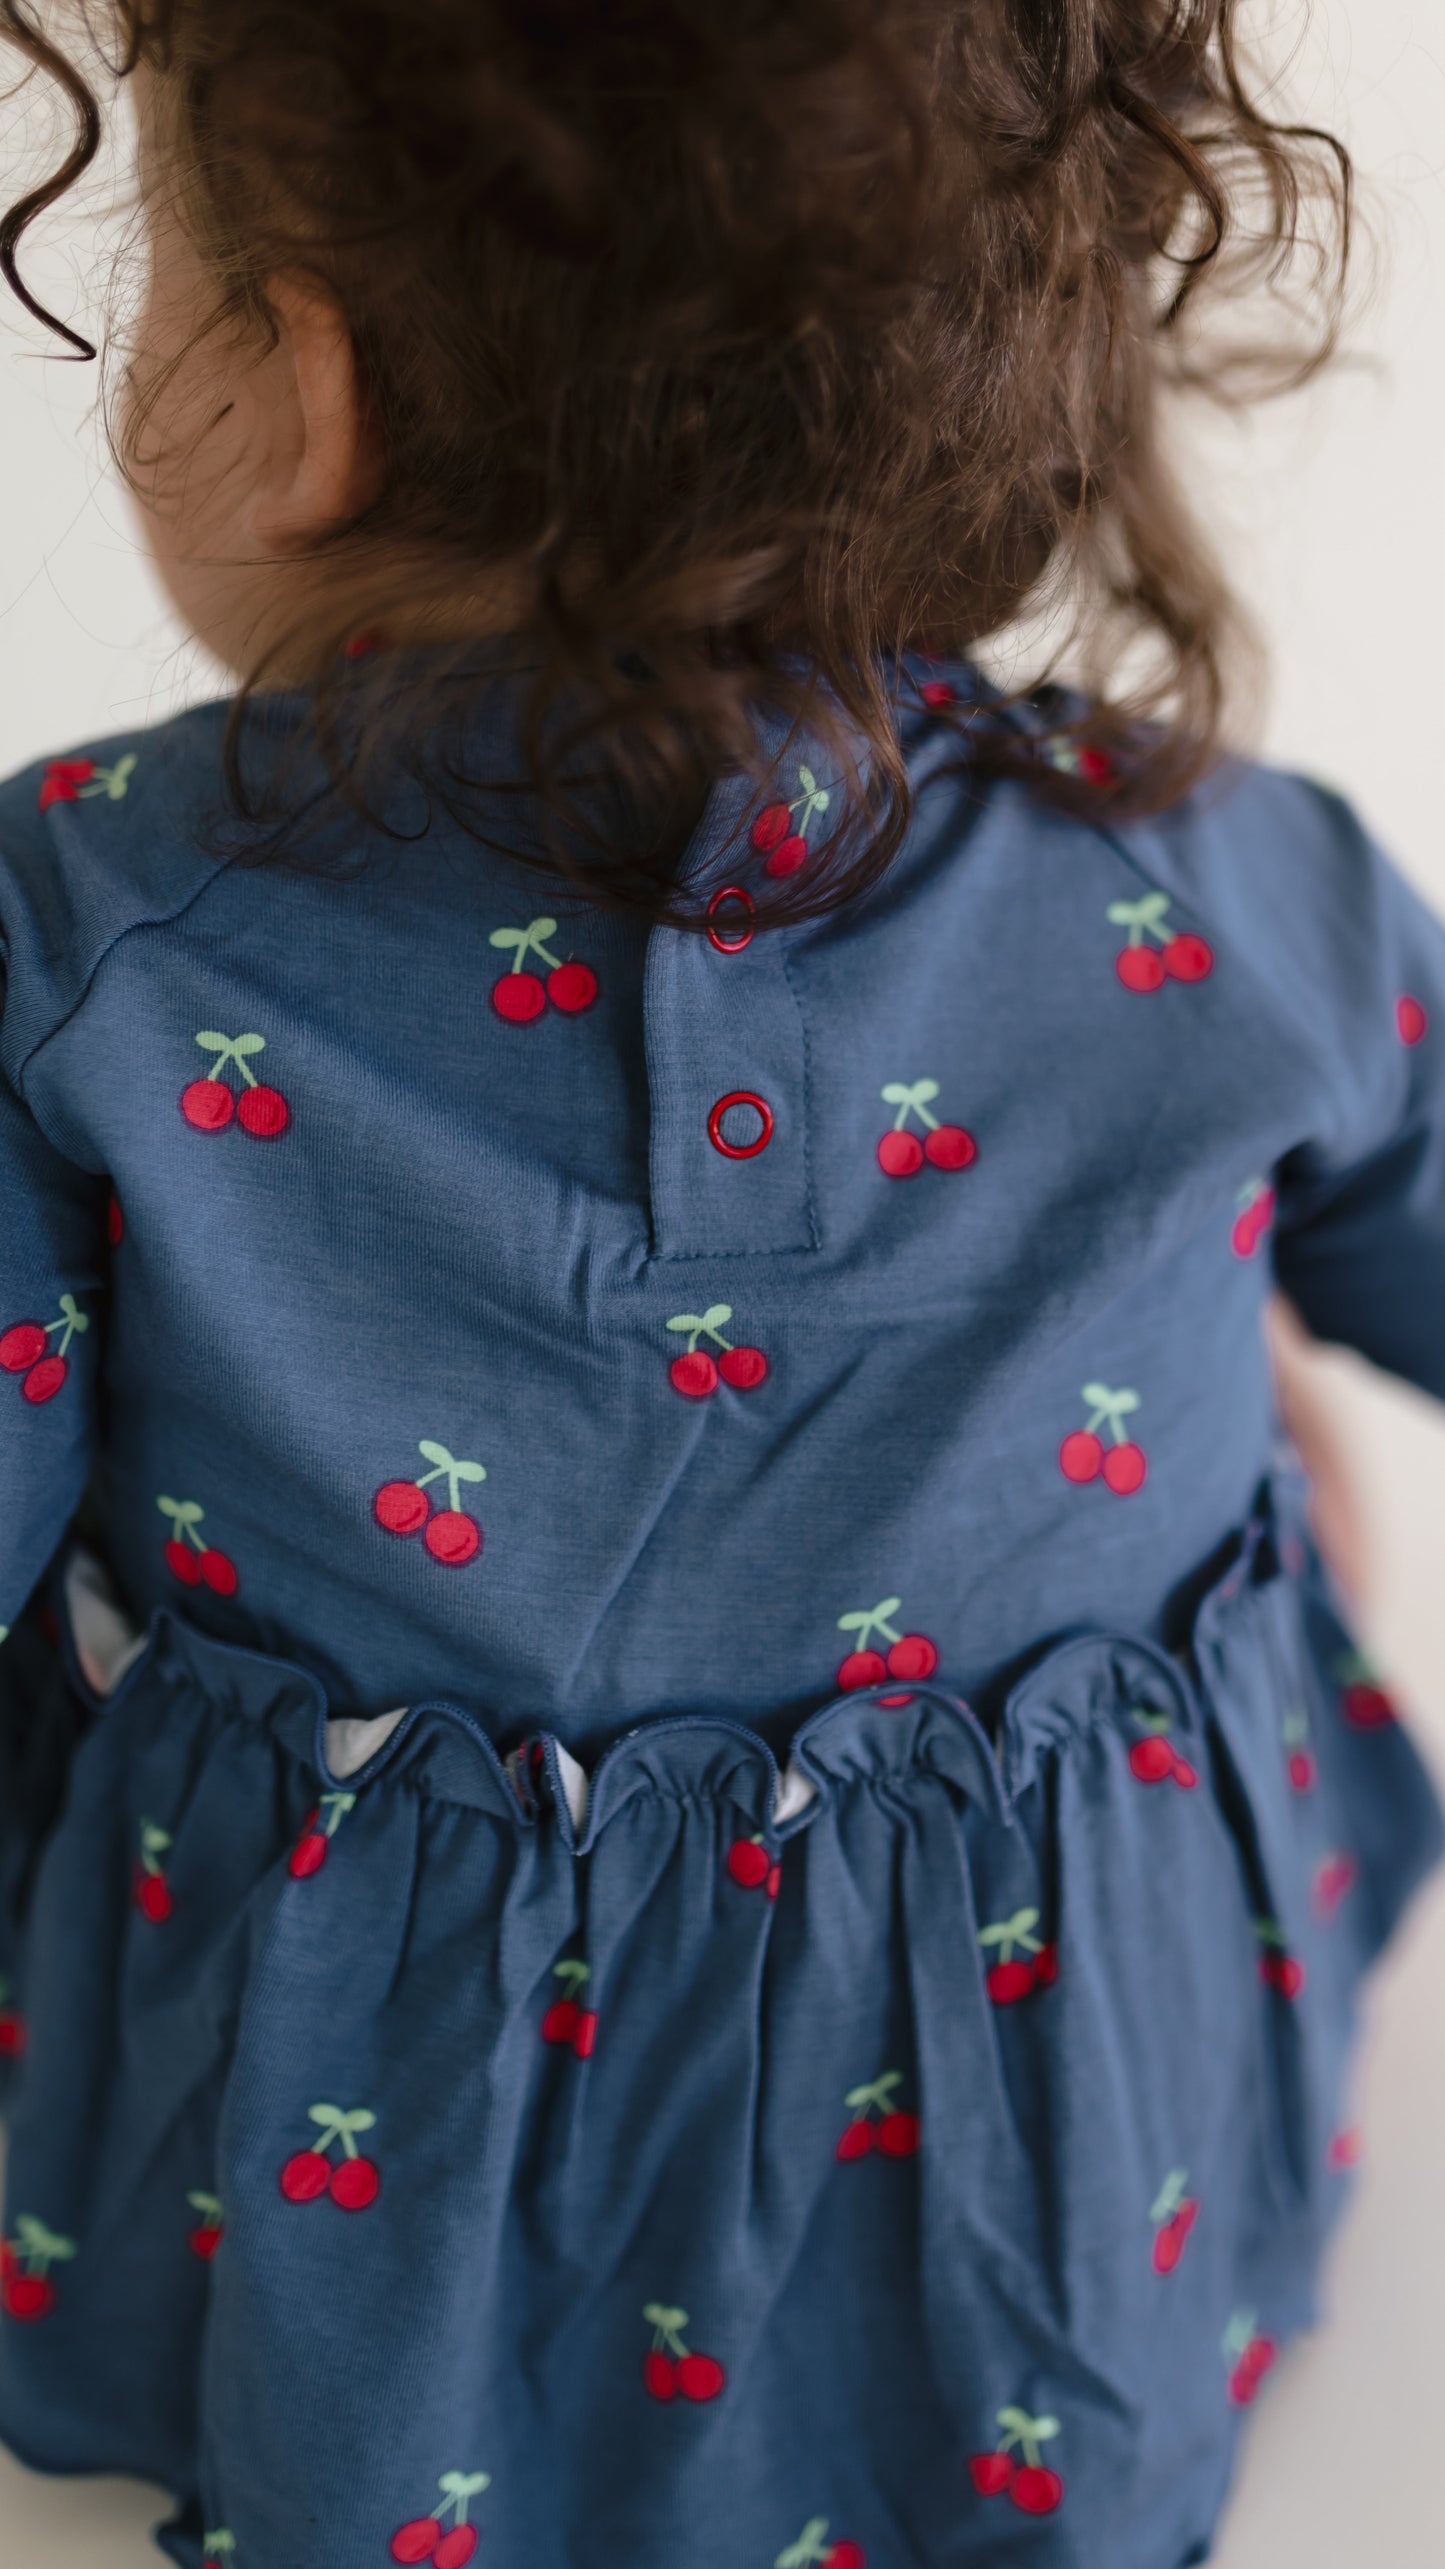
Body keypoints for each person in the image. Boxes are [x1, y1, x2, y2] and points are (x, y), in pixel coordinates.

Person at [0, 6, 1440, 2564]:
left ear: (308, 388)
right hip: (1053, 2282)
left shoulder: (89, 943)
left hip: (352, 2284)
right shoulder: (1230, 894)